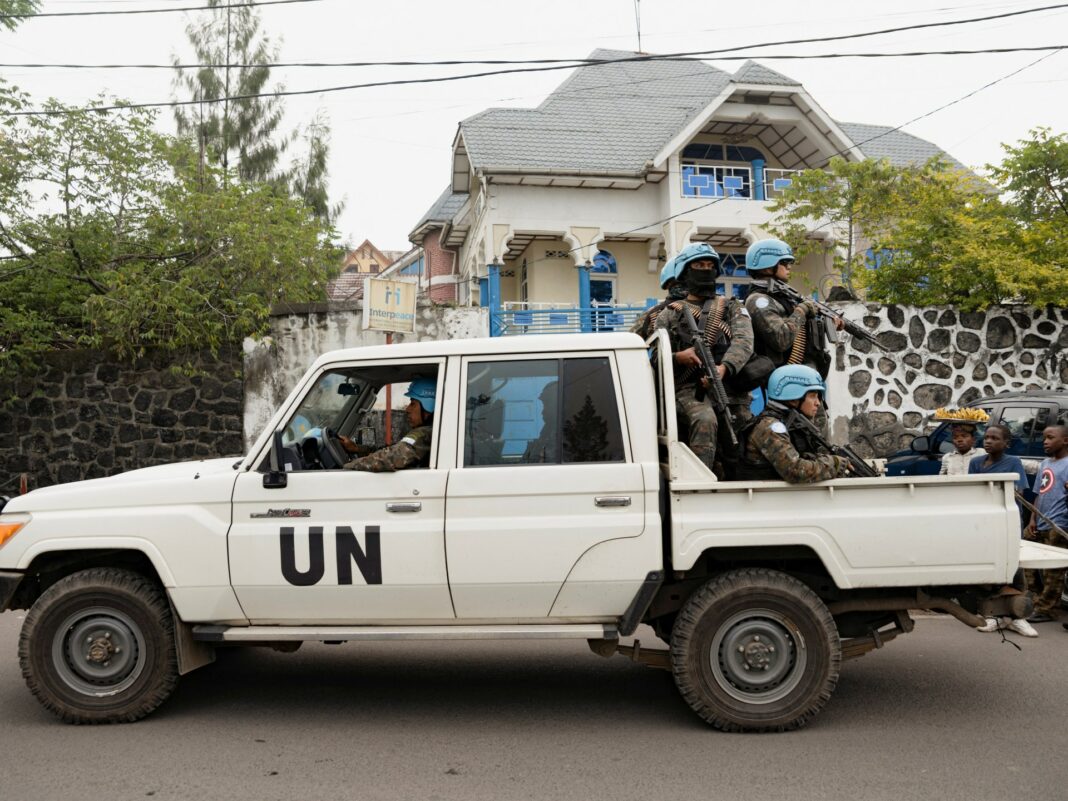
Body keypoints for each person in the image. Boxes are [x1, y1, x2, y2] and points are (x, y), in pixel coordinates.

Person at [655, 243, 754, 474]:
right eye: (699, 265)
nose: (706, 270)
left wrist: (724, 368)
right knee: (705, 420)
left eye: (710, 266)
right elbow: (654, 357)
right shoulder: (669, 314)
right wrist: (678, 357)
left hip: (727, 385)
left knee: (743, 434)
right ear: (686, 273)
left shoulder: (731, 307)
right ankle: (700, 480)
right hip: (689, 389)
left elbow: (744, 341)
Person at [967, 424, 1038, 637]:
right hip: (984, 523)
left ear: (1006, 443)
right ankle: (994, 616)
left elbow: (1017, 493)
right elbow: (971, 492)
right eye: (986, 437)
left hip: (1007, 522)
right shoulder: (976, 463)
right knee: (992, 570)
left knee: (1014, 568)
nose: (988, 441)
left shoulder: (1013, 462)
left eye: (995, 438)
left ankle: (1019, 617)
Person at [743, 238, 843, 378]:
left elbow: (800, 330)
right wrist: (802, 310)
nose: (789, 267)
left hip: (802, 371)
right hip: (784, 376)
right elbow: (781, 338)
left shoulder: (783, 296)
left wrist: (827, 323)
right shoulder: (759, 300)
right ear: (767, 266)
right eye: (784, 263)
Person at [737, 364, 851, 483]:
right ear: (793, 398)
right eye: (813, 396)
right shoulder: (770, 427)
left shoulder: (792, 423)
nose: (817, 403)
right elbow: (795, 471)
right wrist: (835, 464)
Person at [1024, 425, 1068, 625]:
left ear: (1065, 440)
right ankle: (1037, 601)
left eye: (1050, 437)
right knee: (1029, 564)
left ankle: (1048, 608)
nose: (1045, 441)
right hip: (1040, 520)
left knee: (1054, 571)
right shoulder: (1045, 464)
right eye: (1044, 438)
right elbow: (1039, 493)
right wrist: (1032, 519)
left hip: (1058, 524)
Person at [343, 378, 436, 472]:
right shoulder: (430, 432)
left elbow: (390, 458)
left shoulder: (424, 434)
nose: (407, 409)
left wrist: (348, 466)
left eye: (413, 404)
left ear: (429, 406)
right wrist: (357, 449)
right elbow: (390, 450)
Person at [630, 256, 689, 340]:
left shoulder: (709, 308)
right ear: (667, 284)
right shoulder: (653, 314)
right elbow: (633, 342)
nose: (682, 286)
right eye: (677, 281)